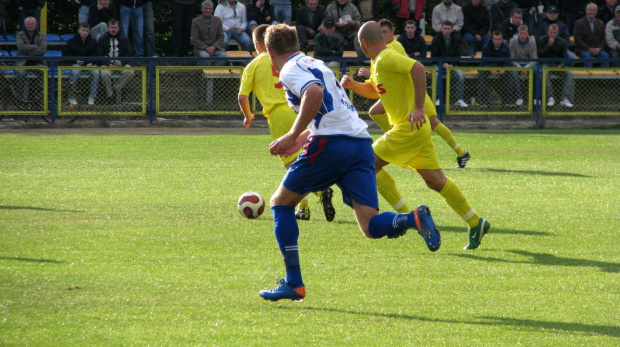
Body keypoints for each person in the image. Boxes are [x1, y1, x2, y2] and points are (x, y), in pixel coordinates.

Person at [259, 24, 441, 302]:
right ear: (297, 45)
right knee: (370, 226)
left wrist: (292, 134)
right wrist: (301, 137)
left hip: (332, 145)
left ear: (269, 51)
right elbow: (333, 110)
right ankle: (411, 218)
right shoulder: (315, 62)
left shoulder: (289, 69)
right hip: (359, 142)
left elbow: (315, 94)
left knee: (280, 203)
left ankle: (294, 283)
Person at [342, 21, 490, 250]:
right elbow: (375, 91)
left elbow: (418, 68)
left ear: (363, 43)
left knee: (364, 164)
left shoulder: (386, 58)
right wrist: (353, 85)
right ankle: (475, 222)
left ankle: (398, 219)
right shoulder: (377, 61)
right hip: (414, 130)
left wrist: (419, 107)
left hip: (407, 128)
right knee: (435, 181)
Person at [238, 24, 336, 222]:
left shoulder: (254, 64)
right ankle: (307, 202)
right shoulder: (290, 60)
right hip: (299, 110)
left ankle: (312, 197)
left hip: (278, 114)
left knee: (291, 162)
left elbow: (242, 96)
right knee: (304, 155)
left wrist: (248, 116)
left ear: (258, 44)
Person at [478, 31, 521, 107]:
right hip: (489, 67)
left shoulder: (506, 47)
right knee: (482, 72)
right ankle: (483, 101)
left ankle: (508, 101)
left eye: (499, 39)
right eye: (495, 39)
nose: (497, 41)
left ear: (502, 39)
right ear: (492, 39)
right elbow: (483, 62)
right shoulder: (486, 46)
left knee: (510, 73)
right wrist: (490, 69)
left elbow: (508, 62)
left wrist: (505, 68)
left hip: (501, 67)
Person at [431, 20, 468, 108]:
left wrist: (451, 64)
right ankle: (438, 99)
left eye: (448, 29)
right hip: (438, 64)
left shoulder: (456, 40)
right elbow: (434, 56)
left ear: (451, 30)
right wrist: (443, 64)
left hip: (452, 65)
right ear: (441, 29)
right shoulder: (436, 39)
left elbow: (458, 56)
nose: (446, 31)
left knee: (460, 75)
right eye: (445, 28)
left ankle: (458, 99)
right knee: (436, 75)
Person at [537, 23, 575, 108]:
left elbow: (565, 57)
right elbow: (540, 55)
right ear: (548, 32)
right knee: (544, 72)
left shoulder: (562, 42)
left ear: (557, 33)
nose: (553, 34)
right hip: (546, 64)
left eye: (555, 33)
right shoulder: (542, 40)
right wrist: (549, 45)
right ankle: (550, 97)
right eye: (551, 32)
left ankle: (564, 98)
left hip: (558, 65)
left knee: (569, 74)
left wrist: (562, 64)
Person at [98, 19, 135, 104]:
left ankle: (116, 88)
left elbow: (129, 53)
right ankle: (110, 95)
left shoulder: (124, 38)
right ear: (108, 28)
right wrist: (107, 63)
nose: (113, 29)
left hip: (120, 64)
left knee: (130, 72)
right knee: (104, 74)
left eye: (115, 27)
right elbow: (99, 55)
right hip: (107, 64)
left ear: (118, 28)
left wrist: (122, 62)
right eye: (111, 27)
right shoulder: (102, 39)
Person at [62, 22, 100, 106]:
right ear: (79, 30)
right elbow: (65, 55)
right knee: (75, 72)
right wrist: (75, 61)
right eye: (83, 30)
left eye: (86, 31)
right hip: (76, 64)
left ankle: (92, 97)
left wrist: (91, 63)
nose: (84, 32)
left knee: (96, 72)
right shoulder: (71, 41)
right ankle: (71, 96)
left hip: (89, 64)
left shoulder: (93, 42)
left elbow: (96, 55)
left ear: (89, 31)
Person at [15, 16, 46, 103]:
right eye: (29, 24)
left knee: (44, 72)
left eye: (32, 24)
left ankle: (40, 98)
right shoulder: (19, 35)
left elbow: (43, 50)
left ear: (35, 24)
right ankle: (20, 99)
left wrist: (28, 52)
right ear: (25, 25)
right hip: (23, 63)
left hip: (37, 62)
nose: (31, 25)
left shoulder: (41, 36)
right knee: (20, 73)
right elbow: (21, 48)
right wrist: (35, 47)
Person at [574, 3, 611, 68]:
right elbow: (577, 40)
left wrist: (599, 48)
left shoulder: (600, 23)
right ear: (586, 11)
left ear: (596, 12)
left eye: (594, 10)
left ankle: (605, 77)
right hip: (583, 49)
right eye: (590, 10)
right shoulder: (579, 23)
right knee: (587, 56)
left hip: (597, 49)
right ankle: (589, 77)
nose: (592, 12)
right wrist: (589, 49)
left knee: (605, 55)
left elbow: (603, 39)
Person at [191, 0, 227, 64]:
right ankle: (206, 73)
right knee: (205, 56)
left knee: (224, 56)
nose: (208, 10)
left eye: (210, 9)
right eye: (206, 8)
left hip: (215, 48)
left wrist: (214, 47)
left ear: (212, 9)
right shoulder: (195, 21)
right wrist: (206, 48)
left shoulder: (218, 20)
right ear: (202, 9)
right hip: (201, 48)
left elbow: (221, 37)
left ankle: (215, 72)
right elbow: (194, 38)